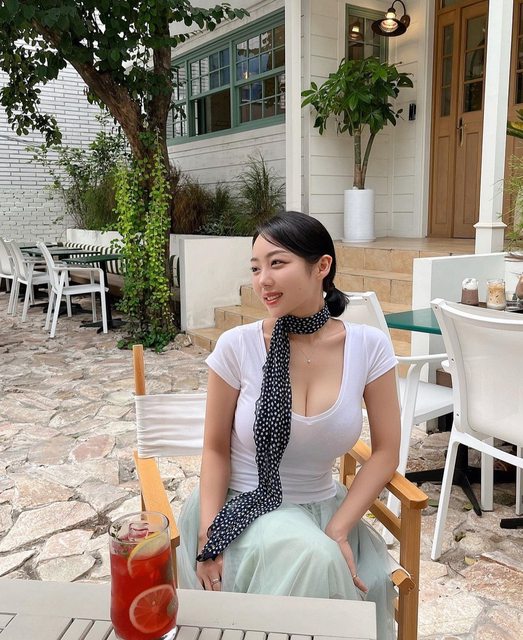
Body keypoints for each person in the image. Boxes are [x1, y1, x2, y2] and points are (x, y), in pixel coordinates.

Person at [177, 211, 401, 640]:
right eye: (255, 268)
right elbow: (215, 449)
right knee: (317, 559)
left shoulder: (368, 347)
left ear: (322, 266)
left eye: (277, 263)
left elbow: (387, 450)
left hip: (323, 509)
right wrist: (210, 535)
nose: (263, 280)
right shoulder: (237, 346)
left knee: (328, 559)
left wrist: (339, 528)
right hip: (243, 506)